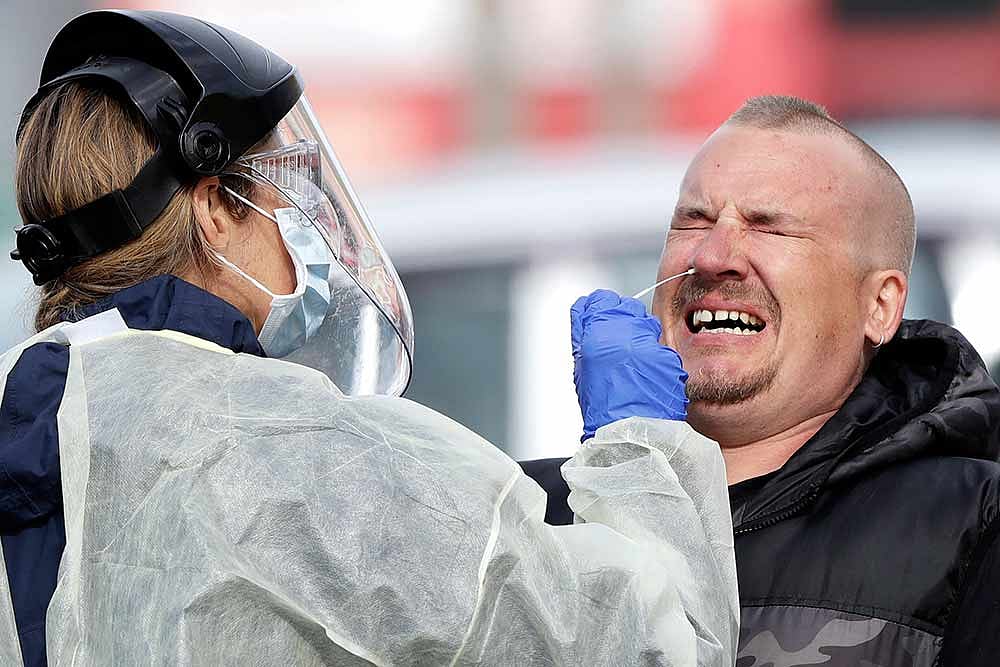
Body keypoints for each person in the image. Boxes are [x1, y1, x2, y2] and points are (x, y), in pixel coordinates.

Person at [0, 10, 739, 667]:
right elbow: (651, 646)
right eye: (280, 190)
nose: (304, 226)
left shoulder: (26, 409)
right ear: (215, 209)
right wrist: (641, 446)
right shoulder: (287, 451)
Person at [523, 95, 1000, 666]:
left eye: (769, 227)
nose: (712, 256)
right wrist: (625, 474)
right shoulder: (525, 514)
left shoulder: (972, 523)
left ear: (878, 305)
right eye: (694, 221)